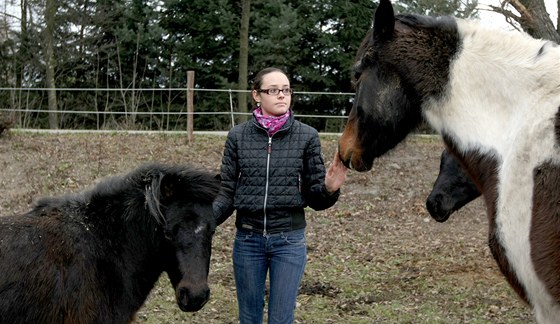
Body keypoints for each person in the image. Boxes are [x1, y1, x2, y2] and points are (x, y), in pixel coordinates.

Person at [213, 67, 348, 324]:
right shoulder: (238, 137)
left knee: (281, 319)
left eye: (286, 90)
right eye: (273, 90)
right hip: (248, 240)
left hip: (289, 242)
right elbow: (227, 192)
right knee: (249, 318)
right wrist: (204, 222)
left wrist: (330, 188)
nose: (281, 96)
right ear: (256, 95)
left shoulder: (307, 136)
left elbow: (315, 198)